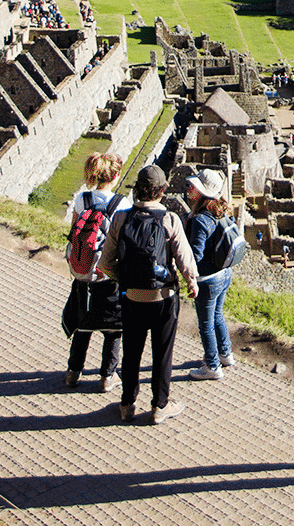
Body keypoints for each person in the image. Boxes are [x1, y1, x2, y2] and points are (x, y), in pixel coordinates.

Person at [99, 163, 199, 424]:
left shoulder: (121, 219)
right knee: (162, 353)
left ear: (137, 190)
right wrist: (192, 283)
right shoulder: (170, 220)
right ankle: (159, 406)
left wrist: (125, 280)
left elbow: (105, 263)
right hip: (163, 298)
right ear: (163, 191)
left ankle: (127, 404)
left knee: (132, 351)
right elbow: (185, 260)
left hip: (132, 298)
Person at [62, 151, 130, 390]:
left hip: (84, 272)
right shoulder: (122, 203)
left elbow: (73, 232)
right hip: (108, 276)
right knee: (113, 331)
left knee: (83, 326)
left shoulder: (82, 199)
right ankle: (107, 377)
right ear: (116, 175)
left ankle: (73, 372)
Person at [184, 168, 236, 381]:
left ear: (203, 192)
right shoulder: (220, 210)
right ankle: (225, 354)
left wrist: (189, 278)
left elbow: (195, 256)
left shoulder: (200, 220)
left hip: (207, 279)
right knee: (217, 316)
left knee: (206, 324)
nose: (188, 188)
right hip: (224, 273)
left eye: (193, 186)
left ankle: (212, 366)